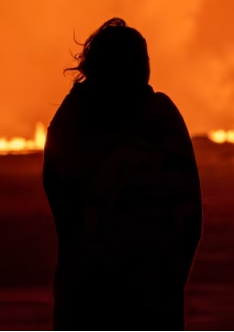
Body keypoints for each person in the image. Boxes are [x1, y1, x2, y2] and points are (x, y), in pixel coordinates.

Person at [43, 18, 203, 331]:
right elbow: (188, 207)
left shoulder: (74, 115)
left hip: (91, 289)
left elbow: (58, 193)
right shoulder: (158, 116)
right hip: (143, 289)